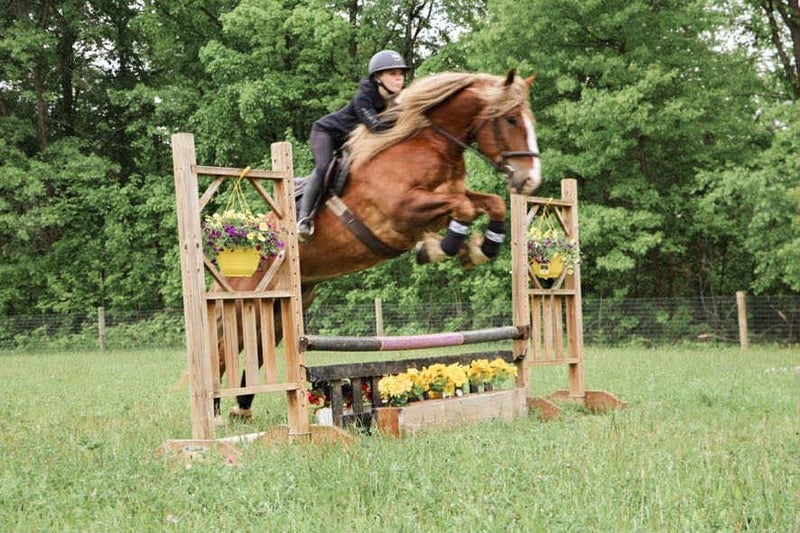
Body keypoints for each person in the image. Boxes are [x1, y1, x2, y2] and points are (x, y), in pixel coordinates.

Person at [297, 50, 410, 242]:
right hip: (327, 133)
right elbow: (376, 127)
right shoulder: (364, 96)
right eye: (392, 74)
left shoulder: (401, 96)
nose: (399, 78)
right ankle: (304, 219)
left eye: (401, 74)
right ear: (378, 78)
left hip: (352, 140)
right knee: (324, 167)